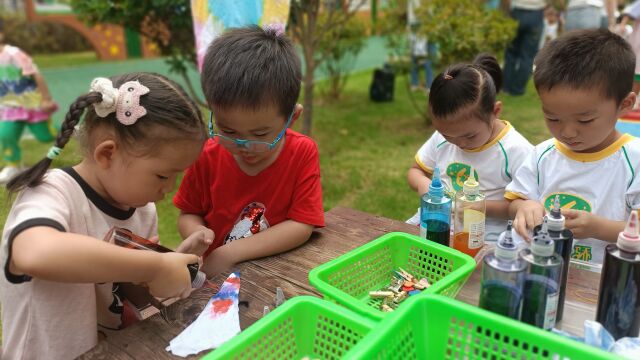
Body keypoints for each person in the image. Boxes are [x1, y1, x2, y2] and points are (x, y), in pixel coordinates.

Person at [0, 72, 207, 360]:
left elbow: (124, 295)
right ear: (107, 154)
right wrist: (153, 266)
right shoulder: (53, 193)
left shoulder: (141, 209)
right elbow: (34, 253)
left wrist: (166, 274)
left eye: (177, 175)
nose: (169, 189)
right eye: (162, 175)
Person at [174, 26, 325, 277]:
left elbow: (302, 224)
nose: (244, 146)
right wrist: (197, 233)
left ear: (292, 117)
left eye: (260, 135)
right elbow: (188, 213)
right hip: (217, 276)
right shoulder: (207, 156)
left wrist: (230, 252)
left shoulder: (301, 152)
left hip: (278, 272)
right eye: (229, 132)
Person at [506, 29, 640, 270]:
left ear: (624, 104)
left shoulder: (634, 160)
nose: (567, 132)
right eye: (553, 118)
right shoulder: (543, 155)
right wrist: (526, 207)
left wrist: (598, 228)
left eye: (585, 120)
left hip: (606, 280)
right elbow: (517, 198)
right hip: (542, 268)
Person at [407, 54, 533, 242]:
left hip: (483, 234)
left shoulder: (515, 150)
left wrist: (472, 206)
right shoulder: (443, 139)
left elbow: (521, 206)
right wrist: (421, 184)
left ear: (495, 112)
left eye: (469, 136)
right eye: (447, 135)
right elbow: (415, 171)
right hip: (435, 221)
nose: (459, 144)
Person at [0, 17, 58, 183]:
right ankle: (13, 165)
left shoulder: (14, 54)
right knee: (5, 134)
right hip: (9, 107)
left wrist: (46, 99)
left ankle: (69, 130)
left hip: (31, 104)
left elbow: (35, 74)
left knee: (45, 136)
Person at [503, 0, 547, 96]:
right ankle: (517, 89)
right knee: (528, 56)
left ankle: (506, 87)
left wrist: (506, 13)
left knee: (511, 53)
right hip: (536, 13)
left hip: (517, 12)